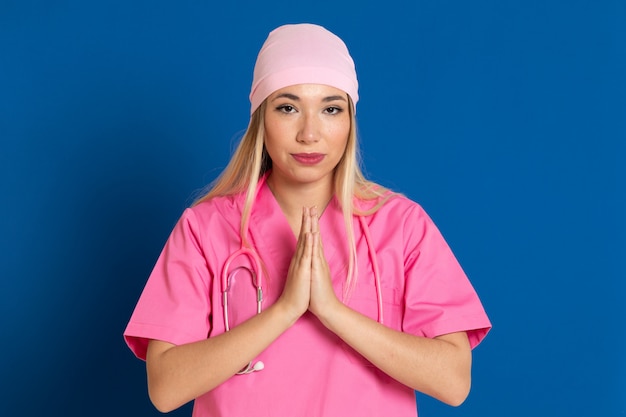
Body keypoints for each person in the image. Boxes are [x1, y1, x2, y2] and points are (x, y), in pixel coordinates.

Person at [124, 23, 491, 417]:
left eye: (331, 109)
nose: (310, 133)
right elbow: (165, 388)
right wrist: (286, 309)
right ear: (261, 118)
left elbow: (454, 382)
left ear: (350, 121)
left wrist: (331, 311)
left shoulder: (402, 227)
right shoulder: (205, 229)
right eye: (288, 107)